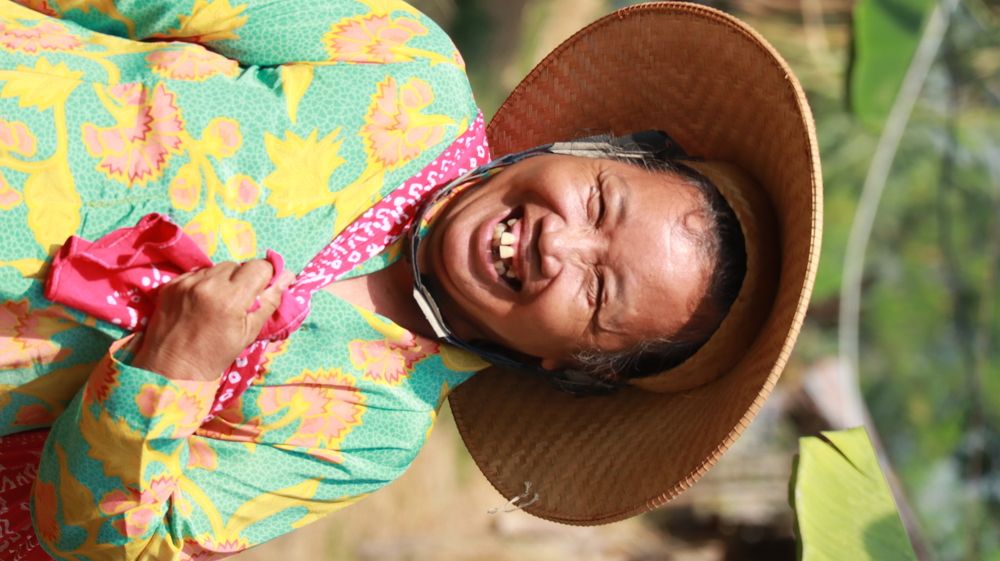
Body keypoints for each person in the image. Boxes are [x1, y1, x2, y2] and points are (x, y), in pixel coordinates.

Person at [0, 1, 822, 560]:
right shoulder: (407, 70)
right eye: (600, 202)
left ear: (571, 367)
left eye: (598, 293)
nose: (557, 244)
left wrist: (169, 376)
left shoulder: (368, 431)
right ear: (597, 149)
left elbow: (112, 544)